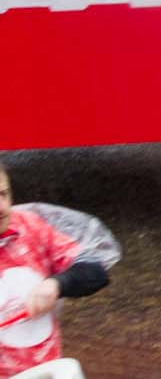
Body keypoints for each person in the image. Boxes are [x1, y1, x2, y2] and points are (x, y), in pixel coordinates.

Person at [0, 160, 112, 379]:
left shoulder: (30, 228)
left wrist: (56, 285)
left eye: (3, 194)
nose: (1, 208)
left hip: (47, 372)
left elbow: (95, 272)